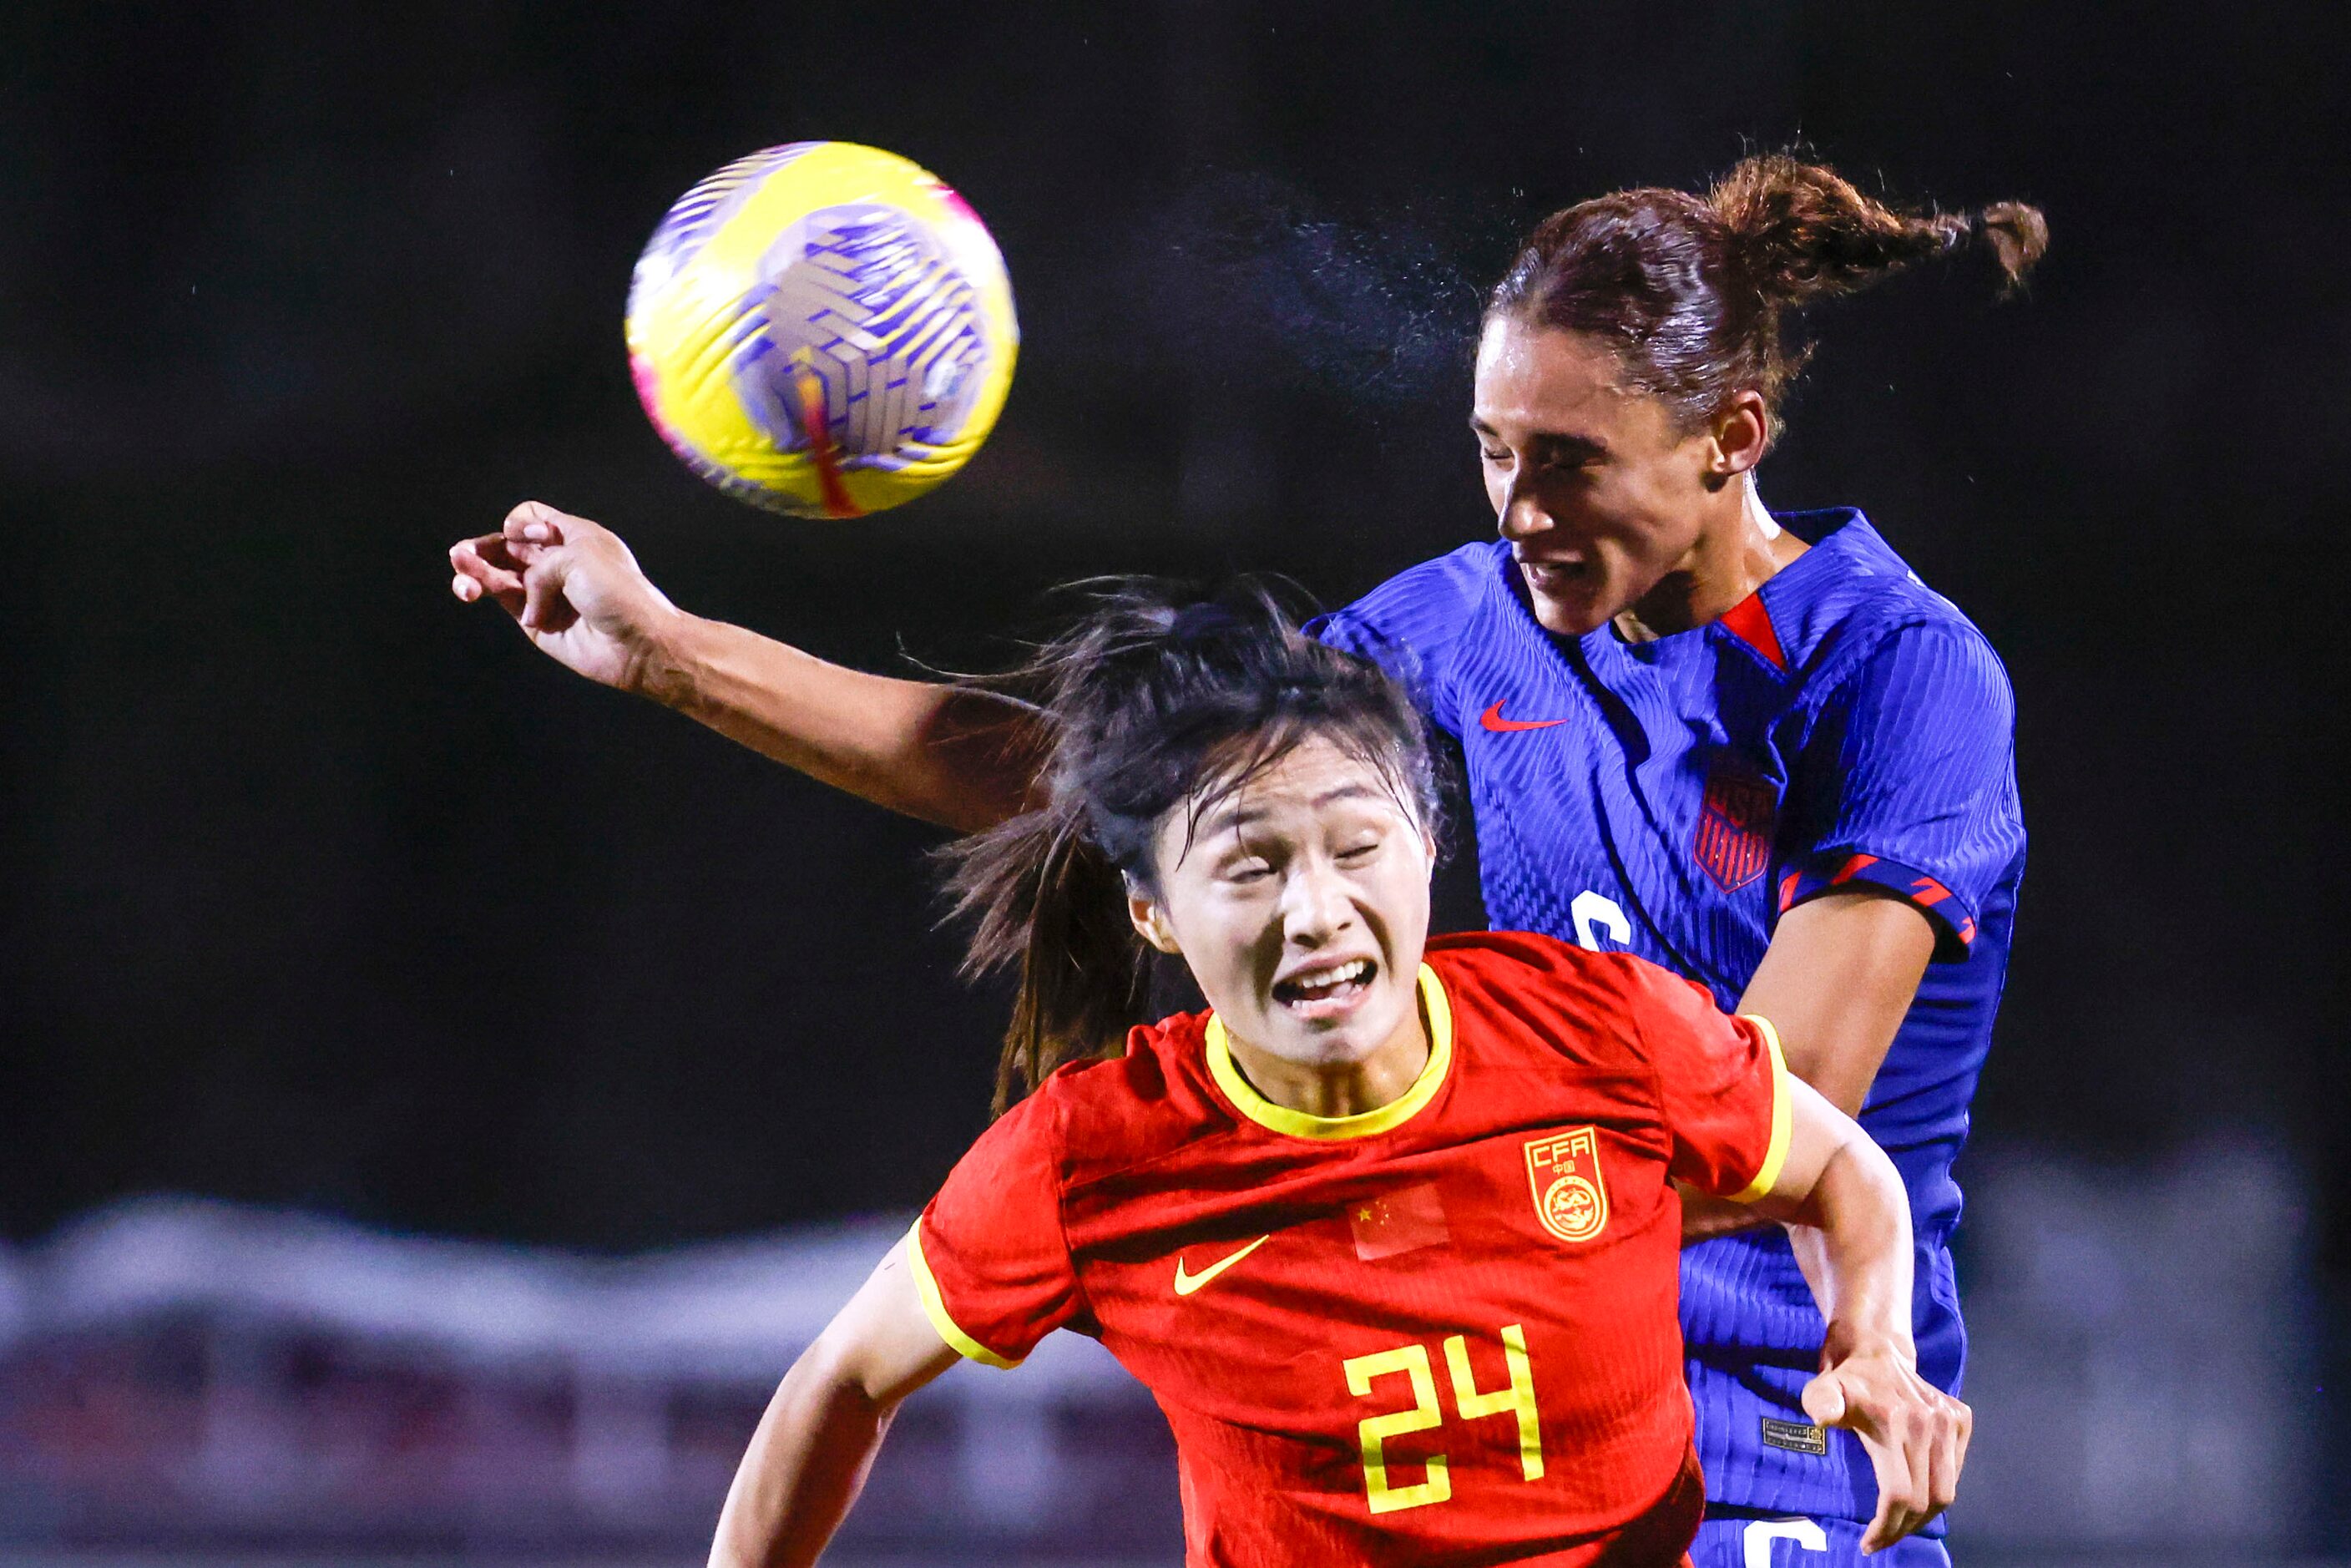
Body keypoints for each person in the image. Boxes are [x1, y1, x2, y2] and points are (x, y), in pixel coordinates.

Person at [451, 152, 2040, 1564]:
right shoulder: (1469, 620)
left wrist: (1316, 1195)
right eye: (1493, 452)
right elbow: (1123, 777)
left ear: (1729, 439)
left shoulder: (1896, 672)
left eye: (1568, 459)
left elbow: (1782, 1097)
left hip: (1785, 1418)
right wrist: (669, 654)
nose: (1520, 507)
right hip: (1482, 1412)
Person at [703, 587, 1962, 1567]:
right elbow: (841, 1378)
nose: (1317, 910)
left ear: (1424, 845)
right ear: (1151, 912)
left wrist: (1875, 1343)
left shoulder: (1597, 1026)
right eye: (1249, 867)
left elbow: (1843, 1168)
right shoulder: (1095, 1157)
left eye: (1357, 845)